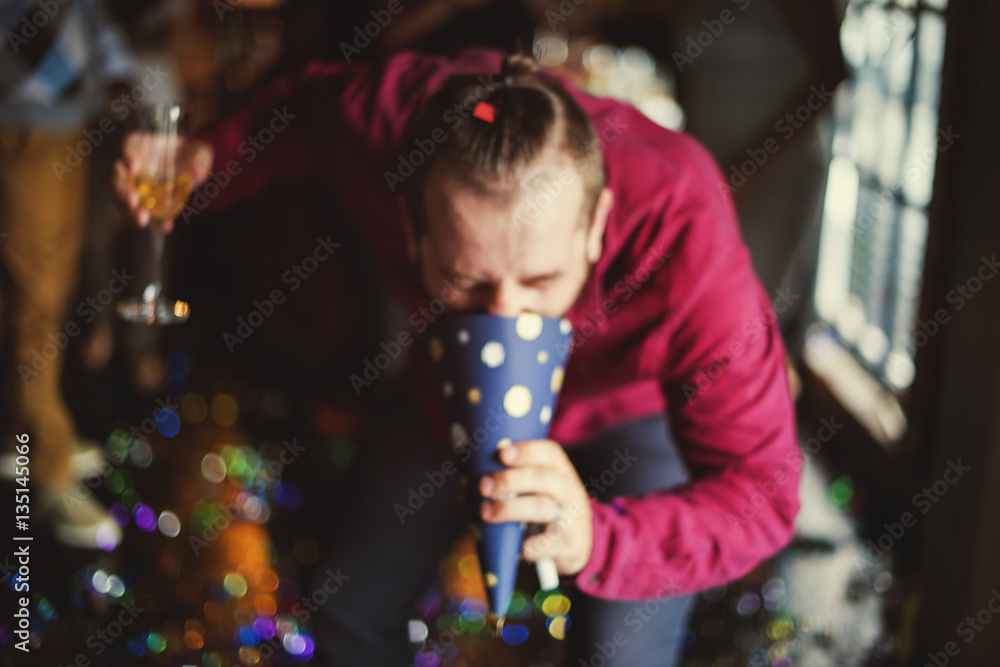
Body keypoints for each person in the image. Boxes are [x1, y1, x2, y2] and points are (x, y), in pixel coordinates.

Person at [113, 49, 802, 666]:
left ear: (596, 225)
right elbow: (296, 110)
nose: (508, 318)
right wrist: (210, 157)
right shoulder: (382, 122)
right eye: (466, 283)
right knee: (349, 608)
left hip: (635, 414)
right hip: (449, 390)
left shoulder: (685, 230)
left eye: (541, 281)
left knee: (618, 652)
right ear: (411, 223)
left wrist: (600, 540)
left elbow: (765, 496)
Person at [0, 0, 141, 549]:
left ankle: (19, 432)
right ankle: (48, 464)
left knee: (41, 290)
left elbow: (86, 11)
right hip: (21, 116)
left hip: (63, 119)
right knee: (36, 299)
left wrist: (116, 67)